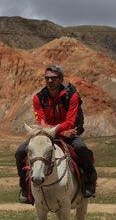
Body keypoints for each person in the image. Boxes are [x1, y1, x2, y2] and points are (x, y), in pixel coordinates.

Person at [15, 65, 97, 203]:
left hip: (69, 132)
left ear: (61, 79)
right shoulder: (38, 98)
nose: (50, 81)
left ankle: (90, 179)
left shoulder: (72, 96)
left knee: (81, 148)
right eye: (47, 78)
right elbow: (42, 122)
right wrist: (59, 132)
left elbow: (70, 121)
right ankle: (25, 187)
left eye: (53, 78)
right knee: (20, 151)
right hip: (49, 133)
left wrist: (62, 132)